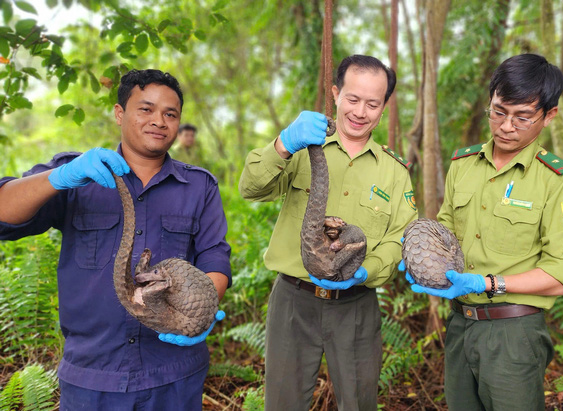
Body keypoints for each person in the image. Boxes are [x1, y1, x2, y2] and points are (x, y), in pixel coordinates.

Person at [0, 69, 231, 410]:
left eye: (171, 114)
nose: (159, 121)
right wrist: (60, 178)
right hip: (92, 377)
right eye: (146, 109)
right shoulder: (77, 174)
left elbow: (214, 258)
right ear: (120, 113)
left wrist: (201, 310)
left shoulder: (199, 187)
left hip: (174, 373)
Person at [402, 53, 563, 410]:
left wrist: (489, 283)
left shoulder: (557, 181)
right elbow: (447, 231)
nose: (505, 126)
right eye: (499, 112)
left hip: (514, 334)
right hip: (460, 325)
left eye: (522, 117)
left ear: (549, 116)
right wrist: (421, 251)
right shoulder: (463, 165)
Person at [240, 54, 417, 411]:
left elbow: (402, 237)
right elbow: (251, 188)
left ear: (383, 107)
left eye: (372, 103)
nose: (360, 111)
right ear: (336, 94)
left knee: (359, 402)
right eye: (352, 99)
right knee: (283, 403)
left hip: (356, 305)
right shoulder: (304, 147)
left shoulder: (394, 171)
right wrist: (284, 143)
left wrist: (368, 270)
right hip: (294, 300)